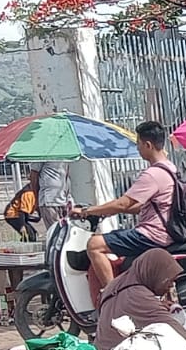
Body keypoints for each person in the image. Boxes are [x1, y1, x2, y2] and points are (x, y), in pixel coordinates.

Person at [73, 120, 176, 290]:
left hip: (152, 235)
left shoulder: (153, 174)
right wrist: (107, 211)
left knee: (94, 245)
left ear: (148, 145)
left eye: (138, 144)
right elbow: (138, 206)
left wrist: (87, 211)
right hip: (165, 232)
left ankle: (113, 295)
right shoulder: (170, 169)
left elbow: (122, 204)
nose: (137, 148)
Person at [94, 248, 186, 350]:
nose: (170, 286)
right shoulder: (139, 296)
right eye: (168, 281)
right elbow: (179, 333)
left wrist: (157, 304)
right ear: (155, 274)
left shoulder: (115, 285)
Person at [3, 169, 40, 241]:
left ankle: (24, 241)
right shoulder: (28, 193)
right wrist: (22, 225)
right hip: (13, 215)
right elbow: (21, 211)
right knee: (30, 236)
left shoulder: (37, 192)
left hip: (22, 215)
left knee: (33, 234)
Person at [36, 161, 69, 228]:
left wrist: (67, 198)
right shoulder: (40, 157)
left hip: (62, 200)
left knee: (65, 230)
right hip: (48, 201)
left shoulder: (65, 157)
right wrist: (35, 198)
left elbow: (66, 176)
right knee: (54, 230)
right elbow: (34, 175)